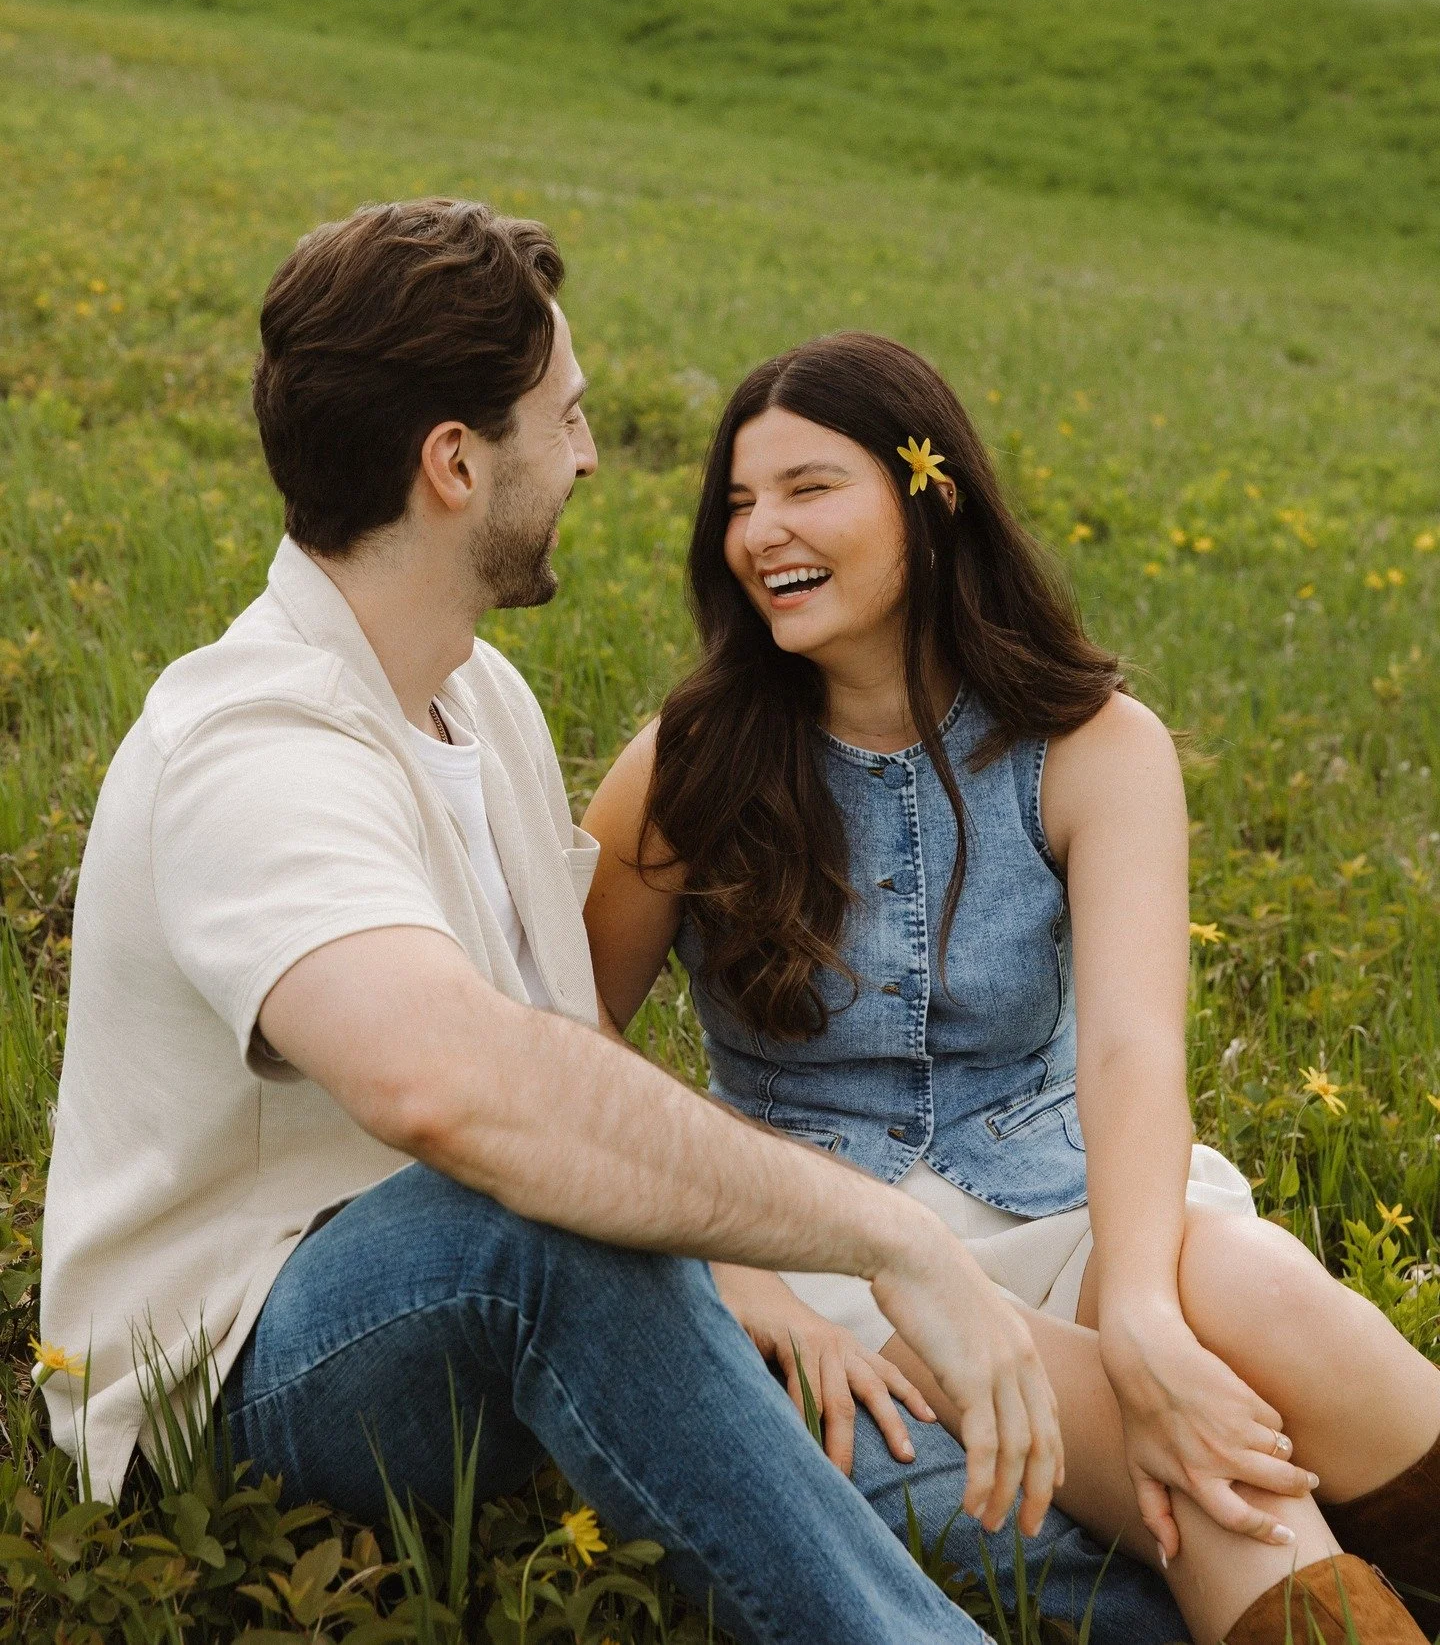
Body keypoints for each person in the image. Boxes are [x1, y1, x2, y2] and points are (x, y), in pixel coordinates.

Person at [41, 199, 1184, 1645]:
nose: (589, 454)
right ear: (455, 462)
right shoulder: (254, 749)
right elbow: (460, 1092)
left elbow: (570, 1046)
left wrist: (753, 1283)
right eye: (567, 418)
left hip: (535, 1307)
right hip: (242, 1371)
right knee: (531, 1227)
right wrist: (888, 1237)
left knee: (935, 1468)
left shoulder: (481, 699)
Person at [582, 332, 1440, 1645]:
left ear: (929, 501)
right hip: (835, 1249)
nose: (761, 533)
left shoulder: (1094, 744)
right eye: (740, 503)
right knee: (1212, 1488)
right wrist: (736, 1274)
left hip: (1066, 1194)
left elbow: (1134, 1053)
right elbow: (570, 1038)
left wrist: (1143, 1315)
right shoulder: (685, 764)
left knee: (1252, 1290)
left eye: (810, 487)